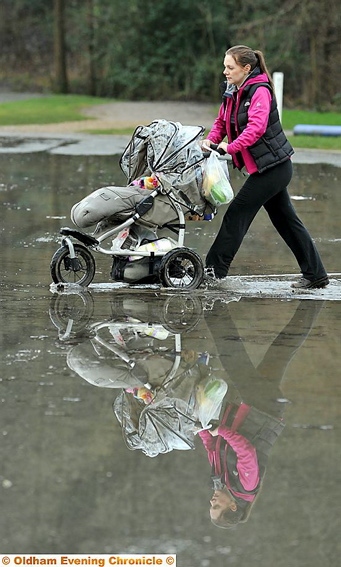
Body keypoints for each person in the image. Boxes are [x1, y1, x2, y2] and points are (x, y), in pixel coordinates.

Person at [202, 45, 329, 289]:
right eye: (224, 66)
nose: (225, 72)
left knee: (238, 213)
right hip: (264, 168)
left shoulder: (260, 90)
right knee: (287, 221)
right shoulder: (233, 91)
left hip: (275, 168)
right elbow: (221, 121)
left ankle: (212, 272)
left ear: (246, 68)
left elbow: (256, 128)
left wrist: (229, 148)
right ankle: (316, 275)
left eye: (230, 67)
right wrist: (212, 140)